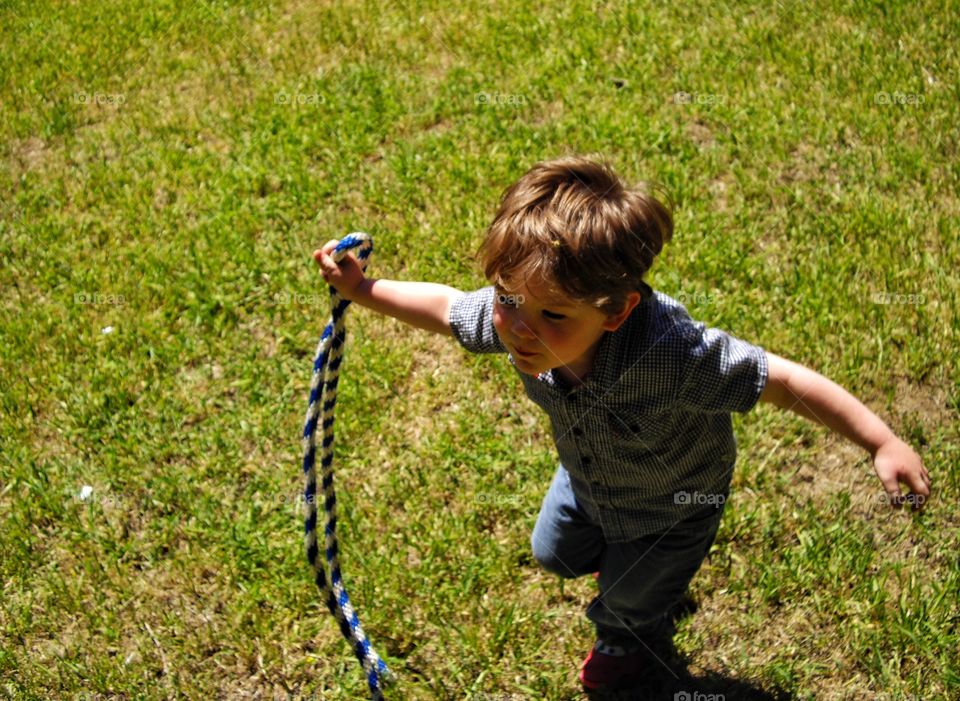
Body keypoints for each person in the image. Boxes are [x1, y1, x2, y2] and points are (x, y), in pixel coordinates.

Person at [313, 156, 931, 691]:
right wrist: (363, 289)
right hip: (589, 477)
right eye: (507, 299)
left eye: (554, 315)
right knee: (553, 553)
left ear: (616, 312)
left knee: (628, 599)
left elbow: (782, 380)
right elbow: (448, 306)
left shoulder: (671, 354)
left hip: (674, 506)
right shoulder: (517, 317)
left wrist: (879, 440)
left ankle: (629, 638)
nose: (521, 329)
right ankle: (637, 584)